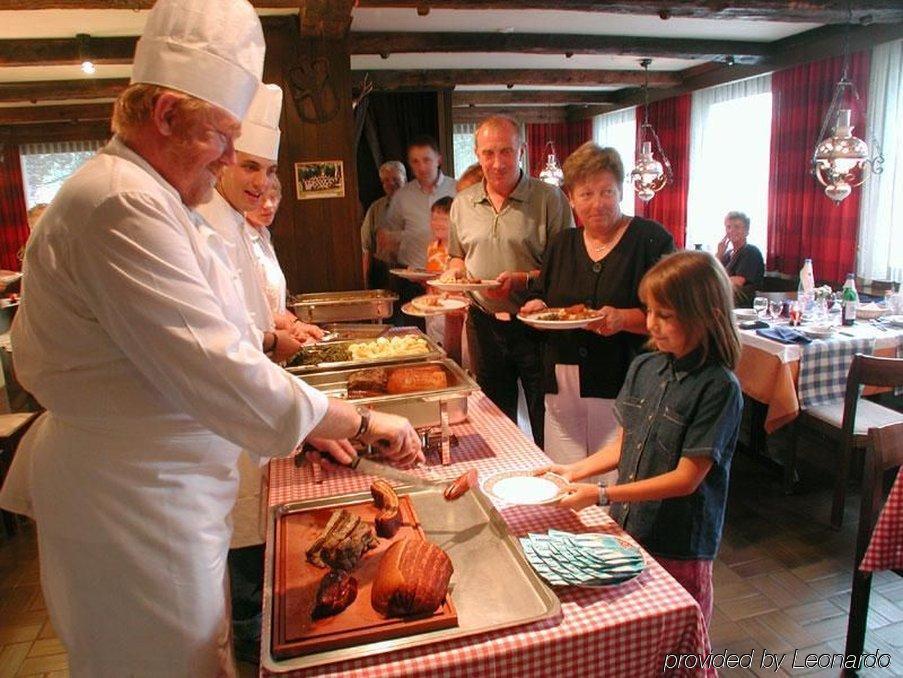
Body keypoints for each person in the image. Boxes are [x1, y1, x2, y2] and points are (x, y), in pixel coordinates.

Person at [0, 1, 422, 675]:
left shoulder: (158, 200)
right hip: (132, 500)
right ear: (166, 116)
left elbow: (229, 340)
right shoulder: (121, 203)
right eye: (223, 135)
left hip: (165, 489)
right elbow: (217, 365)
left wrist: (311, 420)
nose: (232, 157)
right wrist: (362, 418)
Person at [538, 251, 742, 624]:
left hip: (680, 545)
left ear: (707, 316)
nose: (651, 324)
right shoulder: (646, 365)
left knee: (675, 638)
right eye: (649, 311)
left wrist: (601, 494)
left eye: (665, 316)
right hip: (631, 527)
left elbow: (685, 479)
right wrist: (572, 471)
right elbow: (623, 444)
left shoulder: (718, 387)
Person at [520, 143, 674, 474]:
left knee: (614, 482)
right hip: (563, 381)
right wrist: (538, 307)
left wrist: (624, 318)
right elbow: (547, 298)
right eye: (586, 194)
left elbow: (675, 315)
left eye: (606, 192)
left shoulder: (650, 239)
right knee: (565, 476)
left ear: (621, 191)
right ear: (571, 198)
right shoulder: (562, 243)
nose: (597, 203)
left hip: (625, 378)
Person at [446, 115, 574, 446]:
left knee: (544, 415)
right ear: (476, 153)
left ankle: (549, 487)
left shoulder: (550, 199)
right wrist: (457, 273)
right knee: (493, 416)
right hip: (483, 322)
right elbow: (456, 255)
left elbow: (565, 268)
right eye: (488, 153)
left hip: (536, 325)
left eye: (506, 151)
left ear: (522, 151)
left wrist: (522, 280)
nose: (497, 163)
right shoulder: (462, 203)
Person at [384, 135, 456, 324]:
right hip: (412, 281)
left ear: (438, 159)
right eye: (415, 161)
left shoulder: (457, 189)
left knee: (447, 336)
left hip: (448, 283)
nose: (422, 167)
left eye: (427, 160)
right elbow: (389, 234)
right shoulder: (402, 196)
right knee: (414, 339)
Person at [361, 160, 406, 289]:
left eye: (395, 179)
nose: (391, 183)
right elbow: (366, 247)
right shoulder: (375, 209)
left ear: (405, 179)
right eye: (385, 180)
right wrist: (364, 283)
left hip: (412, 272)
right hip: (382, 274)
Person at [716, 210, 764, 308]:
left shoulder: (750, 251)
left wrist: (713, 282)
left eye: (737, 227)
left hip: (743, 304)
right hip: (725, 300)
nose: (731, 231)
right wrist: (719, 254)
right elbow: (709, 274)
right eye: (728, 227)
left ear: (746, 231)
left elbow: (738, 282)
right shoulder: (727, 254)